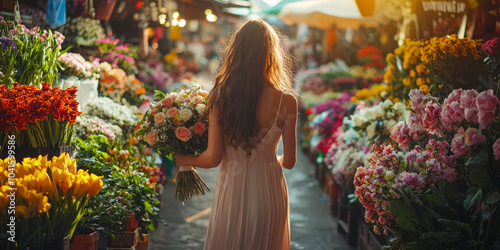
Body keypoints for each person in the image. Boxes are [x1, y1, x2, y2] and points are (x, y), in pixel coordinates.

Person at [174, 19, 298, 250]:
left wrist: (186, 159)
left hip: (231, 189)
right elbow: (289, 162)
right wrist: (269, 161)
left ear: (236, 52)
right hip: (269, 192)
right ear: (271, 54)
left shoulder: (219, 96)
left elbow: (212, 159)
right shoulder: (287, 101)